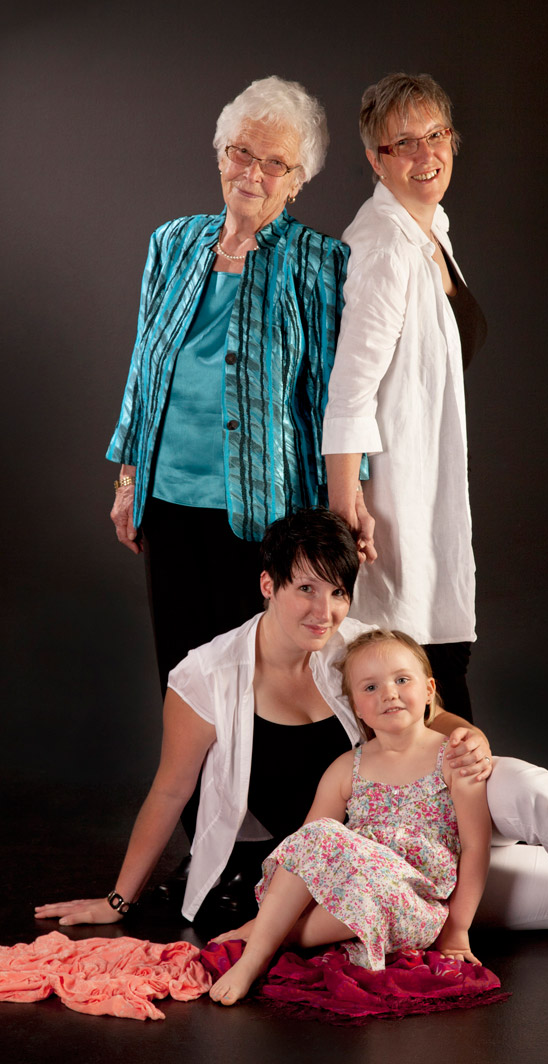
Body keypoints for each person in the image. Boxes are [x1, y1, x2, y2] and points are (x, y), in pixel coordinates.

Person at [34, 510, 489, 929]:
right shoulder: (206, 675)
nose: (324, 612)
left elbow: (431, 715)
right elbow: (171, 790)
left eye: (338, 592)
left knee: (517, 824)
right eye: (306, 589)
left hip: (403, 838)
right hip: (309, 865)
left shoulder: (359, 647)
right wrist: (118, 900)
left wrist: (473, 738)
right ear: (268, 585)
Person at [107, 76, 350, 703]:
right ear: (221, 154)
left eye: (275, 163)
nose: (253, 173)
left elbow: (336, 395)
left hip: (267, 512)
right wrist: (128, 482)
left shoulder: (319, 261)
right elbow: (143, 370)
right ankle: (190, 777)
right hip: (167, 501)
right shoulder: (172, 243)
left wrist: (343, 507)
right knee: (184, 678)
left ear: (298, 180)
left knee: (258, 686)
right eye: (241, 152)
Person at [209, 629, 492, 1006]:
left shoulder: (454, 759)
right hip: (354, 892)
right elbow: (303, 851)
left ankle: (270, 936)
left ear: (428, 690)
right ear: (357, 706)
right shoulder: (347, 767)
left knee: (353, 881)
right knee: (318, 833)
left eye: (402, 680)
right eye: (371, 687)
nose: (389, 693)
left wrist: (457, 930)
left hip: (414, 904)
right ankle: (255, 956)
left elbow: (475, 846)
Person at [323, 72, 487, 717]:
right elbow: (348, 392)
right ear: (376, 159)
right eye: (404, 143)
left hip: (427, 486)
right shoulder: (385, 247)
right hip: (393, 504)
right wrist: (346, 512)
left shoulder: (429, 228)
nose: (426, 154)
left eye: (436, 135)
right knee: (412, 672)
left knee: (431, 668)